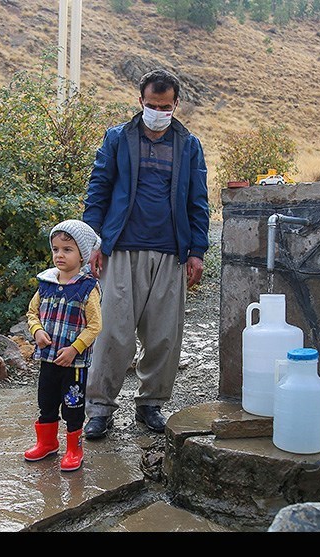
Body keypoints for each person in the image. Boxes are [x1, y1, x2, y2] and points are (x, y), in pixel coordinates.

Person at [81, 68, 210, 439]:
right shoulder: (118, 138)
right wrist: (94, 241)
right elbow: (98, 191)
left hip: (171, 252)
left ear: (176, 104)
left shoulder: (189, 145)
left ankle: (151, 404)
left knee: (164, 336)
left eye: (165, 106)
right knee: (112, 334)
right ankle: (100, 409)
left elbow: (197, 201)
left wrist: (196, 251)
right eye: (152, 105)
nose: (158, 111)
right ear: (140, 102)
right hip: (121, 248)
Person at [24, 219, 103, 472]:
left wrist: (74, 349)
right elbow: (32, 312)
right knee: (46, 401)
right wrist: (37, 332)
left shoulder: (87, 288)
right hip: (48, 358)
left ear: (82, 255)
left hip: (74, 363)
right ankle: (47, 443)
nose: (60, 255)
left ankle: (73, 448)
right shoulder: (46, 283)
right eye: (56, 249)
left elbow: (95, 326)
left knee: (73, 405)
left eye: (67, 250)